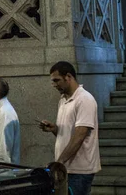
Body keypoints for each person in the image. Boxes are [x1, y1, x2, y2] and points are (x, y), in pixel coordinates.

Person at [38, 61, 101, 195]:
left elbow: (79, 136)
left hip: (79, 170)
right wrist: (55, 129)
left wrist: (59, 162)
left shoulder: (84, 99)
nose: (54, 85)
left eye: (57, 80)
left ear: (68, 77)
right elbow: (68, 134)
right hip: (67, 168)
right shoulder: (63, 100)